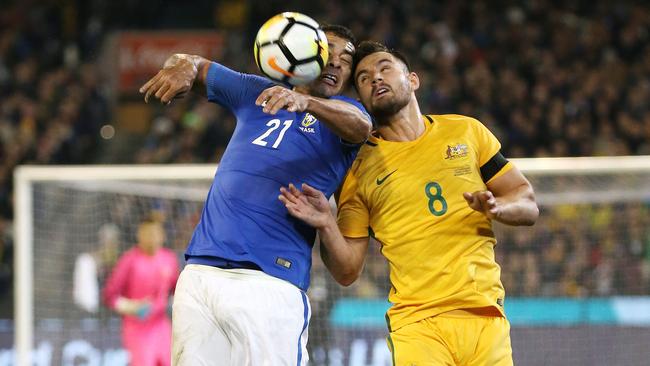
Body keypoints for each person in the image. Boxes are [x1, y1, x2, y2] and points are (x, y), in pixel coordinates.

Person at [278, 41, 539, 365]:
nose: (375, 78)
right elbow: (347, 271)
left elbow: (527, 203)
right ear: (359, 100)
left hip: (486, 316)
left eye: (384, 68)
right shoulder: (358, 170)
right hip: (417, 324)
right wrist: (327, 223)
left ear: (412, 79)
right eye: (363, 77)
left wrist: (499, 208)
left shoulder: (466, 131)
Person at [139, 25, 371, 365]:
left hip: (270, 281)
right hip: (201, 274)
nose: (336, 62)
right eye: (328, 51)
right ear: (303, 52)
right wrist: (183, 65)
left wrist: (307, 102)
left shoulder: (345, 118)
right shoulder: (256, 92)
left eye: (346, 60)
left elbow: (361, 127)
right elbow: (194, 63)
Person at [103, 219, 179, 366]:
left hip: (161, 325)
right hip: (136, 326)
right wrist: (131, 307)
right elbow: (109, 295)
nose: (152, 237)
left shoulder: (169, 259)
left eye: (155, 233)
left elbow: (177, 290)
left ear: (162, 236)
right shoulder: (129, 259)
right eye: (147, 234)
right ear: (139, 236)